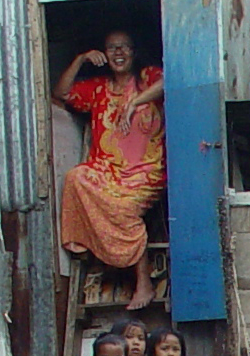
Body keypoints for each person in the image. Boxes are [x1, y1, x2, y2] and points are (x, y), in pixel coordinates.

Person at [56, 29, 167, 312]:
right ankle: (101, 251)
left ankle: (143, 282)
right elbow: (62, 93)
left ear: (134, 51)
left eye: (124, 47)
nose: (118, 53)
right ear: (104, 55)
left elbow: (170, 82)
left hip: (146, 170)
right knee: (75, 178)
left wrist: (135, 103)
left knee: (122, 208)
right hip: (107, 170)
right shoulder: (98, 88)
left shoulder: (147, 78)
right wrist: (80, 60)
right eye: (111, 48)